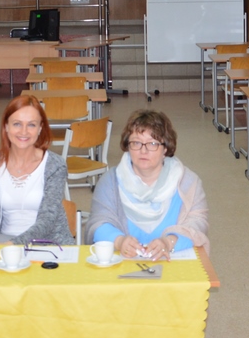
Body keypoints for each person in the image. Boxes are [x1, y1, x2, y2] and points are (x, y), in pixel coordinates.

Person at [86, 109, 208, 260]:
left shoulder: (188, 182)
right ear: (128, 146)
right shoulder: (109, 182)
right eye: (136, 143)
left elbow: (198, 225)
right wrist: (119, 241)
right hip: (122, 267)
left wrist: (169, 242)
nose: (143, 150)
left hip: (174, 264)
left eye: (152, 143)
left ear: (165, 148)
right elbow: (97, 223)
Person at [0, 96, 74, 246]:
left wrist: (12, 245)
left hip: (49, 245)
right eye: (17, 124)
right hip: (2, 240)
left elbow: (47, 220)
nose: (24, 132)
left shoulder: (55, 165)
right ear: (6, 126)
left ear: (40, 128)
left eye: (31, 125)